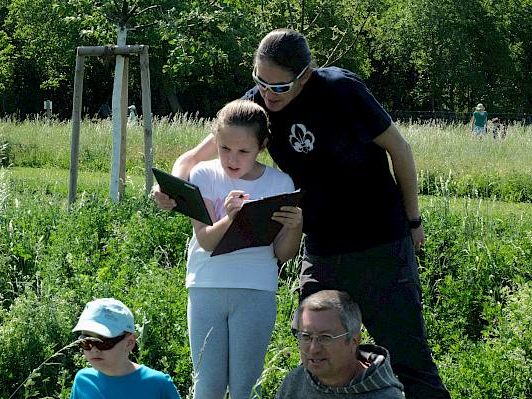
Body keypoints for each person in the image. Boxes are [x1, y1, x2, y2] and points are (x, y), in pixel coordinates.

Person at [152, 29, 449, 399]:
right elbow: (192, 158)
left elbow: (400, 150)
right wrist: (171, 189)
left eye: (279, 87)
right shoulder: (257, 108)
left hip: (380, 243)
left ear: (305, 75)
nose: (268, 94)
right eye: (261, 82)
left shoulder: (341, 90)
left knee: (407, 358)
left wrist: (413, 220)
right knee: (316, 353)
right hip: (321, 248)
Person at [185, 99, 303, 399]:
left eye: (243, 151)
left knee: (246, 387)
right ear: (215, 140)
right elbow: (207, 241)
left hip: (256, 290)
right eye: (224, 148)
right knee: (207, 386)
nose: (232, 159)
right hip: (206, 287)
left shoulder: (280, 182)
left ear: (262, 145)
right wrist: (231, 218)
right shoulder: (203, 175)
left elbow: (283, 254)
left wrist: (295, 225)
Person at [276, 290, 404, 398]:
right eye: (306, 336)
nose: (314, 348)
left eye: (325, 337)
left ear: (354, 341)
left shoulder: (385, 395)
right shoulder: (295, 382)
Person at [70, 298, 181, 399]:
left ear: (129, 342)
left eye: (104, 342)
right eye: (86, 341)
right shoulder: (83, 381)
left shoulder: (158, 384)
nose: (94, 350)